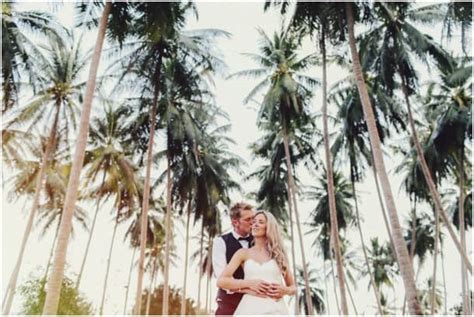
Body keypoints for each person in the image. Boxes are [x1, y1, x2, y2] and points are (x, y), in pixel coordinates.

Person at [217, 210, 296, 315]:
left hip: (276, 310)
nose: (255, 224)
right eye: (254, 222)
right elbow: (221, 281)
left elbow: (293, 287)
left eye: (260, 222)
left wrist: (285, 290)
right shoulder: (242, 253)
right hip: (249, 309)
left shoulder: (279, 255)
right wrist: (250, 284)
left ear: (269, 227)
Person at [213, 202, 269, 315]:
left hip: (258, 303)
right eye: (248, 219)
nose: (253, 222)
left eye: (254, 218)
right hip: (229, 304)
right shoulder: (221, 242)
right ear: (235, 222)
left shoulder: (261, 241)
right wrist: (249, 286)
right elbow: (222, 280)